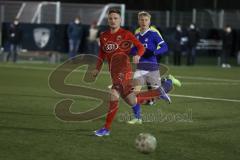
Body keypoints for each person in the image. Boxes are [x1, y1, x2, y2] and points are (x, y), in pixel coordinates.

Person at [92, 8, 171, 137]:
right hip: (114, 72)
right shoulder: (103, 36)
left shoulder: (127, 34)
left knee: (113, 94)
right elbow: (102, 53)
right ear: (108, 20)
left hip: (124, 71)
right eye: (111, 18)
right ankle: (156, 95)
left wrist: (138, 55)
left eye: (116, 18)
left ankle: (106, 129)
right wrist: (97, 68)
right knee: (132, 100)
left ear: (120, 20)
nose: (113, 20)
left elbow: (140, 47)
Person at [127, 11, 178, 124]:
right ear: (138, 21)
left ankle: (169, 80)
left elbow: (165, 47)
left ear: (149, 21)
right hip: (140, 68)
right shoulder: (136, 36)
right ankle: (138, 118)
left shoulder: (153, 34)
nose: (144, 22)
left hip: (152, 67)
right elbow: (133, 50)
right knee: (133, 94)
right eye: (141, 20)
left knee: (155, 96)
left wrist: (154, 52)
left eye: (146, 20)